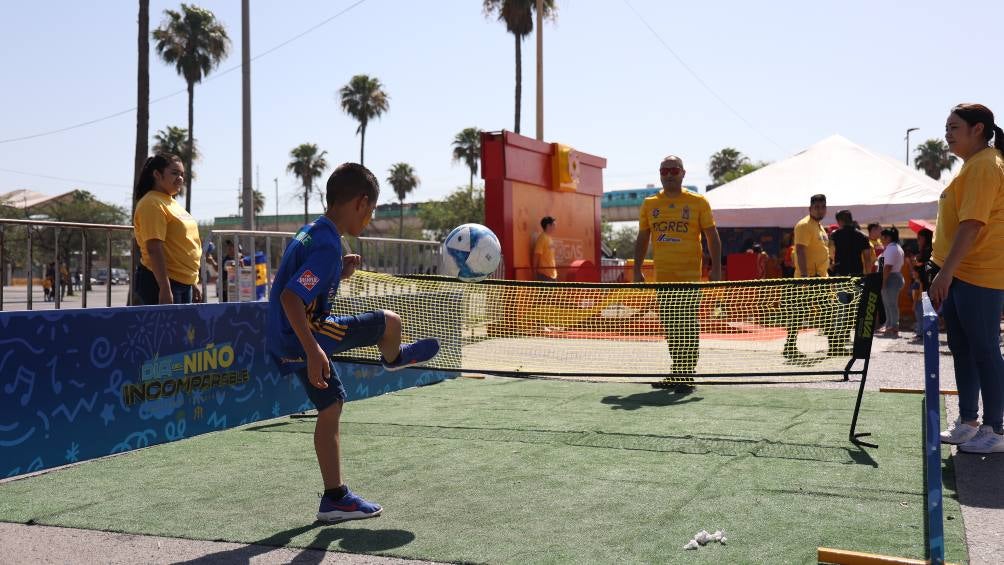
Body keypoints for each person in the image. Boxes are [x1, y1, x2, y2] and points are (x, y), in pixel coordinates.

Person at [267, 162, 441, 521]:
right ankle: (393, 358)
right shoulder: (328, 245)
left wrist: (339, 272)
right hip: (307, 335)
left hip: (291, 336)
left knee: (330, 406)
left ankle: (334, 498)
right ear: (361, 203)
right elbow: (291, 297)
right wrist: (313, 350)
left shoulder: (313, 232)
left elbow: (302, 285)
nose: (370, 218)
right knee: (390, 323)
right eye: (372, 210)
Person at [929, 103, 1004, 454]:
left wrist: (946, 272)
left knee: (986, 350)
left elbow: (972, 224)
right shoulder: (971, 167)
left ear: (978, 129)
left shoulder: (986, 165)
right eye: (946, 127)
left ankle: (996, 428)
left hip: (979, 274)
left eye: (954, 126)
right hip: (962, 274)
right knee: (963, 349)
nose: (947, 133)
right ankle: (970, 421)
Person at [633, 155, 722, 392]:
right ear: (660, 174)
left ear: (683, 173)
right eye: (665, 171)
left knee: (687, 325)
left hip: (689, 277)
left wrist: (716, 269)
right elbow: (643, 238)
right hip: (663, 278)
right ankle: (677, 372)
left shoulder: (698, 202)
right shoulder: (650, 204)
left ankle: (686, 375)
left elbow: (712, 236)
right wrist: (637, 270)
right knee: (671, 326)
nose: (669, 175)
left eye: (674, 170)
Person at [132, 153, 203, 305]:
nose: (180, 178)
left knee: (183, 329)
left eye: (182, 174)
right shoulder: (152, 203)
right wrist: (164, 287)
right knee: (166, 329)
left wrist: (192, 282)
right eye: (175, 173)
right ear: (157, 174)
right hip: (162, 282)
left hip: (183, 283)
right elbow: (154, 248)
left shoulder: (171, 202)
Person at [782, 194, 830, 360]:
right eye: (816, 207)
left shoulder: (819, 226)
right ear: (810, 209)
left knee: (828, 311)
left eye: (823, 206)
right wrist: (804, 277)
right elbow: (800, 250)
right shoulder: (804, 225)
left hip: (821, 278)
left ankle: (835, 345)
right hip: (807, 279)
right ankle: (789, 347)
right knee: (798, 313)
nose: (820, 210)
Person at [877, 227, 905, 338]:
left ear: (887, 237)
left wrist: (883, 281)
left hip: (890, 277)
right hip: (891, 277)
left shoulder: (892, 249)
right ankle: (889, 325)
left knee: (891, 304)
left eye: (882, 237)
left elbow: (888, 267)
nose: (881, 240)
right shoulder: (893, 248)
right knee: (888, 304)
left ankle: (893, 326)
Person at [830, 210, 871, 276]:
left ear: (839, 221)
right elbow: (867, 259)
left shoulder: (834, 235)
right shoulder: (863, 236)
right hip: (857, 273)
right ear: (851, 220)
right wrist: (869, 277)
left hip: (840, 273)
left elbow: (830, 255)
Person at [911, 228, 934, 341]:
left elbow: (927, 266)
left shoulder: (930, 250)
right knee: (921, 311)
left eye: (919, 238)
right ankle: (924, 333)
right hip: (923, 285)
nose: (918, 241)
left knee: (925, 311)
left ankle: (925, 334)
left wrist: (919, 263)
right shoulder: (924, 250)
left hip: (927, 285)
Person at [532, 216, 559, 281]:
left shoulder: (549, 238)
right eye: (553, 224)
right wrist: (534, 272)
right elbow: (536, 256)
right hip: (544, 275)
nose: (555, 226)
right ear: (548, 226)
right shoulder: (542, 238)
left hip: (553, 275)